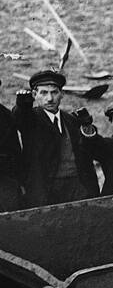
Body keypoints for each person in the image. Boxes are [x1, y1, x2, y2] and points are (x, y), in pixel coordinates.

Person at [12, 69, 99, 206]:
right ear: (35, 95)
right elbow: (20, 118)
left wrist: (87, 128)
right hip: (46, 188)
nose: (50, 98)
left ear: (62, 94)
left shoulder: (71, 120)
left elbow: (87, 152)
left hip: (76, 186)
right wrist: (22, 104)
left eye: (54, 92)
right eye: (44, 93)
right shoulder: (32, 118)